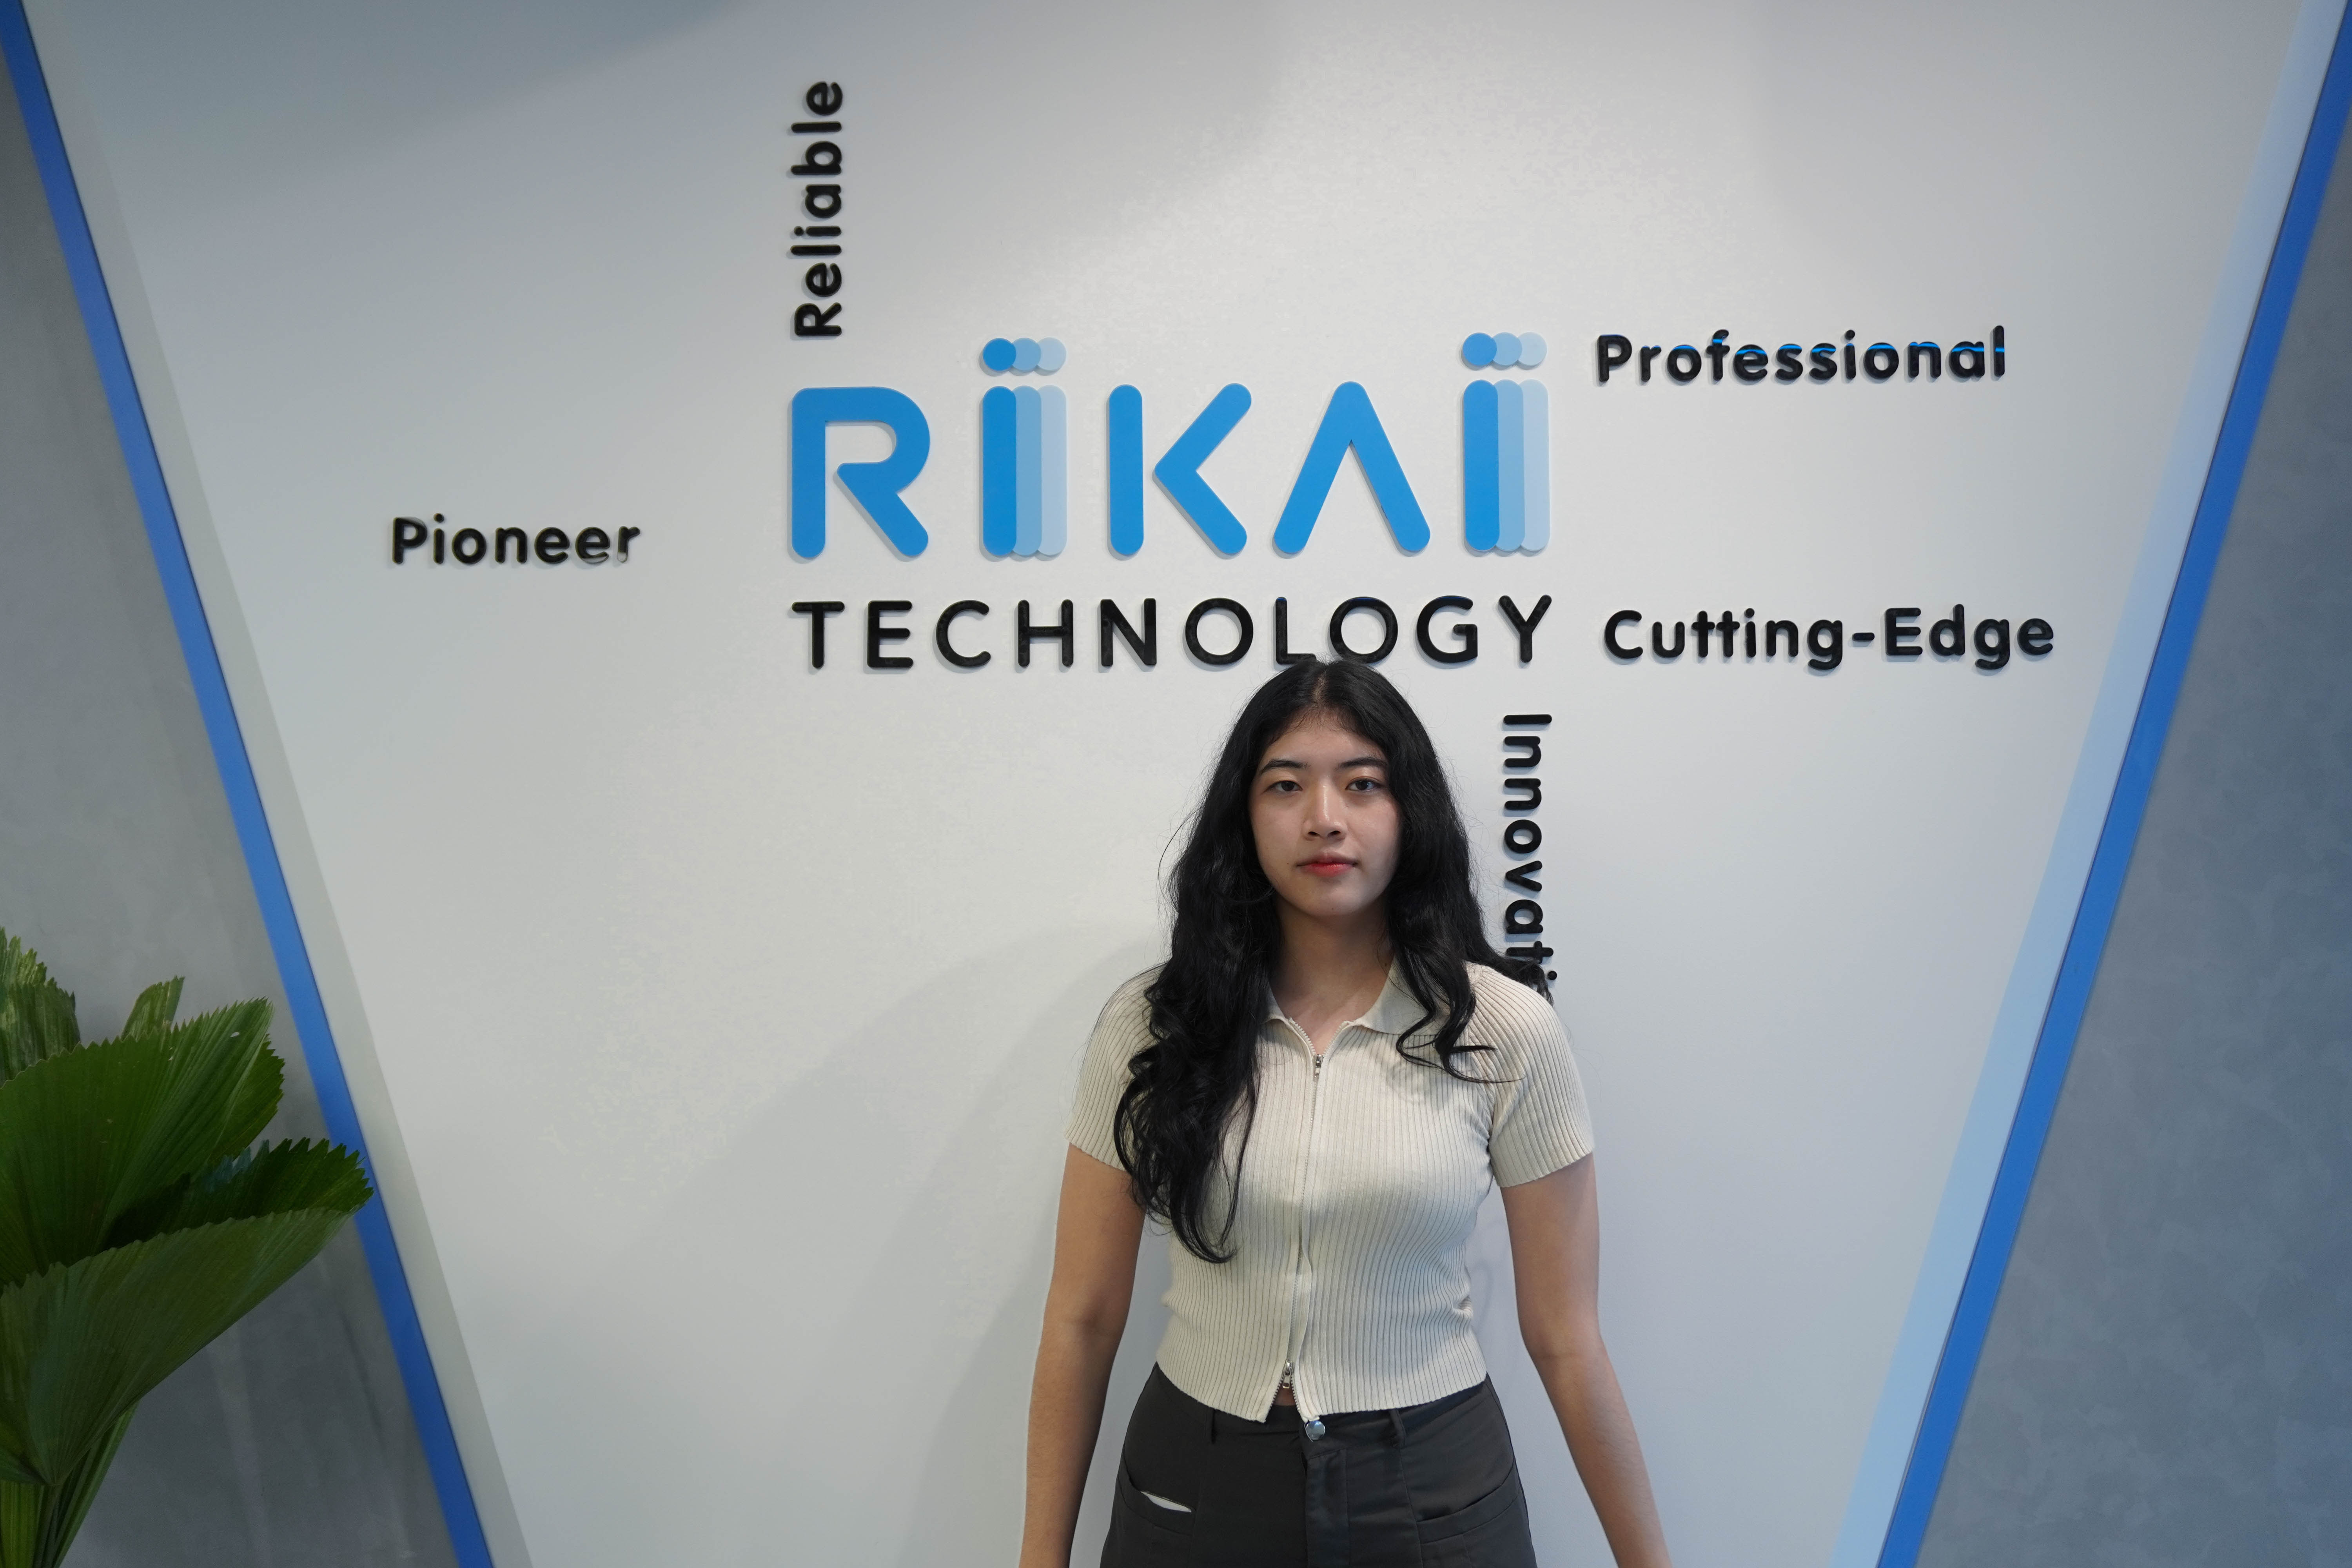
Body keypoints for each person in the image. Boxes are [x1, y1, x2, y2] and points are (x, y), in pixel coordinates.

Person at [1018, 659, 1675, 1568]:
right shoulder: (1154, 1024)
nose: (1324, 817)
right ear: (1243, 815)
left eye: (1363, 783)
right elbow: (1082, 1315)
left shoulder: (1505, 1028)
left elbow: (1568, 1337)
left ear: (1411, 811)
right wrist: (1038, 1555)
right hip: (1198, 1481)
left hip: (1434, 1483)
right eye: (1285, 785)